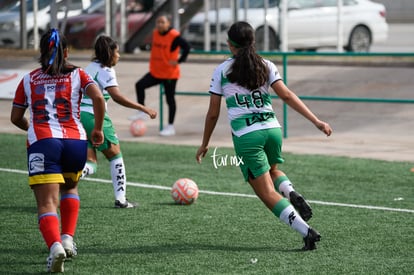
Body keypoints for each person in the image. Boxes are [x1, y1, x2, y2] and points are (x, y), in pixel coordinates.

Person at [195, 22, 333, 251]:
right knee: (274, 171)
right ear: (253, 42)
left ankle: (306, 232)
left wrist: (205, 144)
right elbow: (287, 95)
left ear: (230, 44)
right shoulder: (266, 65)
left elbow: (212, 114)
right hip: (272, 130)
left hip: (247, 136)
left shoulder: (222, 70)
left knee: (267, 193)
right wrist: (316, 121)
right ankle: (290, 192)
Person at [10, 29, 105, 272]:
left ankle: (55, 247)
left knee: (46, 203)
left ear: (42, 52)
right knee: (70, 188)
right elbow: (99, 99)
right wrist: (97, 129)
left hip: (44, 142)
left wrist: (32, 128)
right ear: (67, 52)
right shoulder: (79, 74)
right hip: (75, 142)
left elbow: (15, 117)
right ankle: (67, 239)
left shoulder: (29, 79)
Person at [80, 35, 157, 208]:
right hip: (94, 117)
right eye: (117, 52)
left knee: (90, 163)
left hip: (79, 117)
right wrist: (143, 108)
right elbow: (117, 97)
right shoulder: (105, 70)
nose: (119, 56)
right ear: (110, 53)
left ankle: (67, 177)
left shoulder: (88, 68)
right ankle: (121, 200)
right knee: (115, 156)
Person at [129, 13, 190, 136]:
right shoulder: (156, 33)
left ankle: (170, 126)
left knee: (169, 100)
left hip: (169, 74)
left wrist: (179, 60)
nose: (160, 24)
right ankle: (142, 111)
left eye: (162, 22)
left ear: (168, 23)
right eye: (158, 22)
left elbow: (187, 47)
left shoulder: (174, 36)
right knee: (139, 85)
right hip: (156, 72)